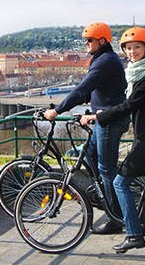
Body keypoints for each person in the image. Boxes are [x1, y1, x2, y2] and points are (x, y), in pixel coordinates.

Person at [80, 27, 145, 255]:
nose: (132, 52)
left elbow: (130, 105)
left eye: (137, 47)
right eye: (128, 48)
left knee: (120, 182)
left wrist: (98, 116)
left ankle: (133, 234)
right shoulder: (137, 73)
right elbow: (126, 101)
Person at [44, 22, 130, 234]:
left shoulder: (105, 61)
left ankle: (116, 219)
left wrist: (58, 110)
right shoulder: (102, 59)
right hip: (101, 119)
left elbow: (83, 87)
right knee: (90, 156)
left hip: (108, 121)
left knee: (106, 170)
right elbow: (88, 92)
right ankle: (102, 195)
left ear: (101, 41)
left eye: (89, 40)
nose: (86, 44)